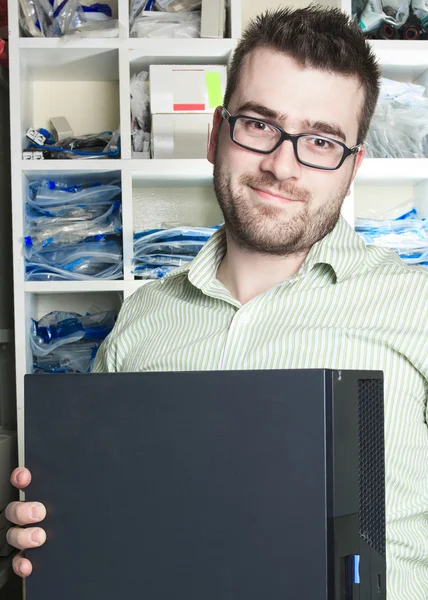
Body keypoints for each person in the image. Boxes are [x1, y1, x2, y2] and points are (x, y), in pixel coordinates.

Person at [6, 5, 428, 599]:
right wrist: (51, 531)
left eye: (321, 141)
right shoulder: (142, 320)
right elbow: (104, 518)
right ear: (215, 135)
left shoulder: (420, 310)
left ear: (353, 167)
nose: (283, 164)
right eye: (259, 124)